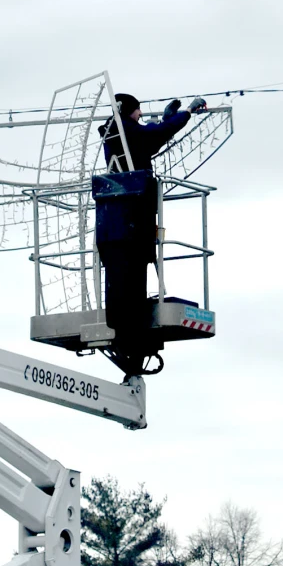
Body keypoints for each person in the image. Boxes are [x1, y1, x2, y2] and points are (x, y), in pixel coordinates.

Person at [93, 93, 206, 376]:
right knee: (129, 277)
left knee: (125, 277)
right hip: (132, 215)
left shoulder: (118, 133)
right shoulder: (125, 131)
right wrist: (186, 114)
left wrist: (167, 120)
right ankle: (127, 329)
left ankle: (126, 328)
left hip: (119, 222)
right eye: (138, 111)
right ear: (127, 110)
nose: (141, 115)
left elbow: (148, 141)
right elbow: (152, 136)